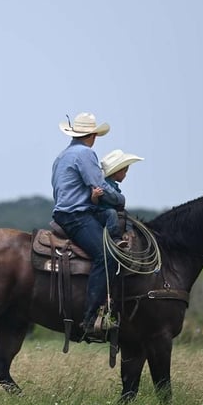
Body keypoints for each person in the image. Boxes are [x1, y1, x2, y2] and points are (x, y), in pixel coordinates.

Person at [51, 112, 117, 338]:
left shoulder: (62, 156)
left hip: (63, 212)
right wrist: (119, 200)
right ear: (93, 135)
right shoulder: (85, 153)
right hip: (76, 215)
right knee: (106, 254)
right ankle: (90, 319)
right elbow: (98, 185)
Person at [94, 149, 144, 245]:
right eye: (124, 171)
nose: (125, 175)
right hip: (102, 213)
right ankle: (114, 238)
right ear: (117, 172)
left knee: (125, 214)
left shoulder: (111, 186)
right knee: (112, 213)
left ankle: (128, 231)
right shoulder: (107, 187)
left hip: (106, 212)